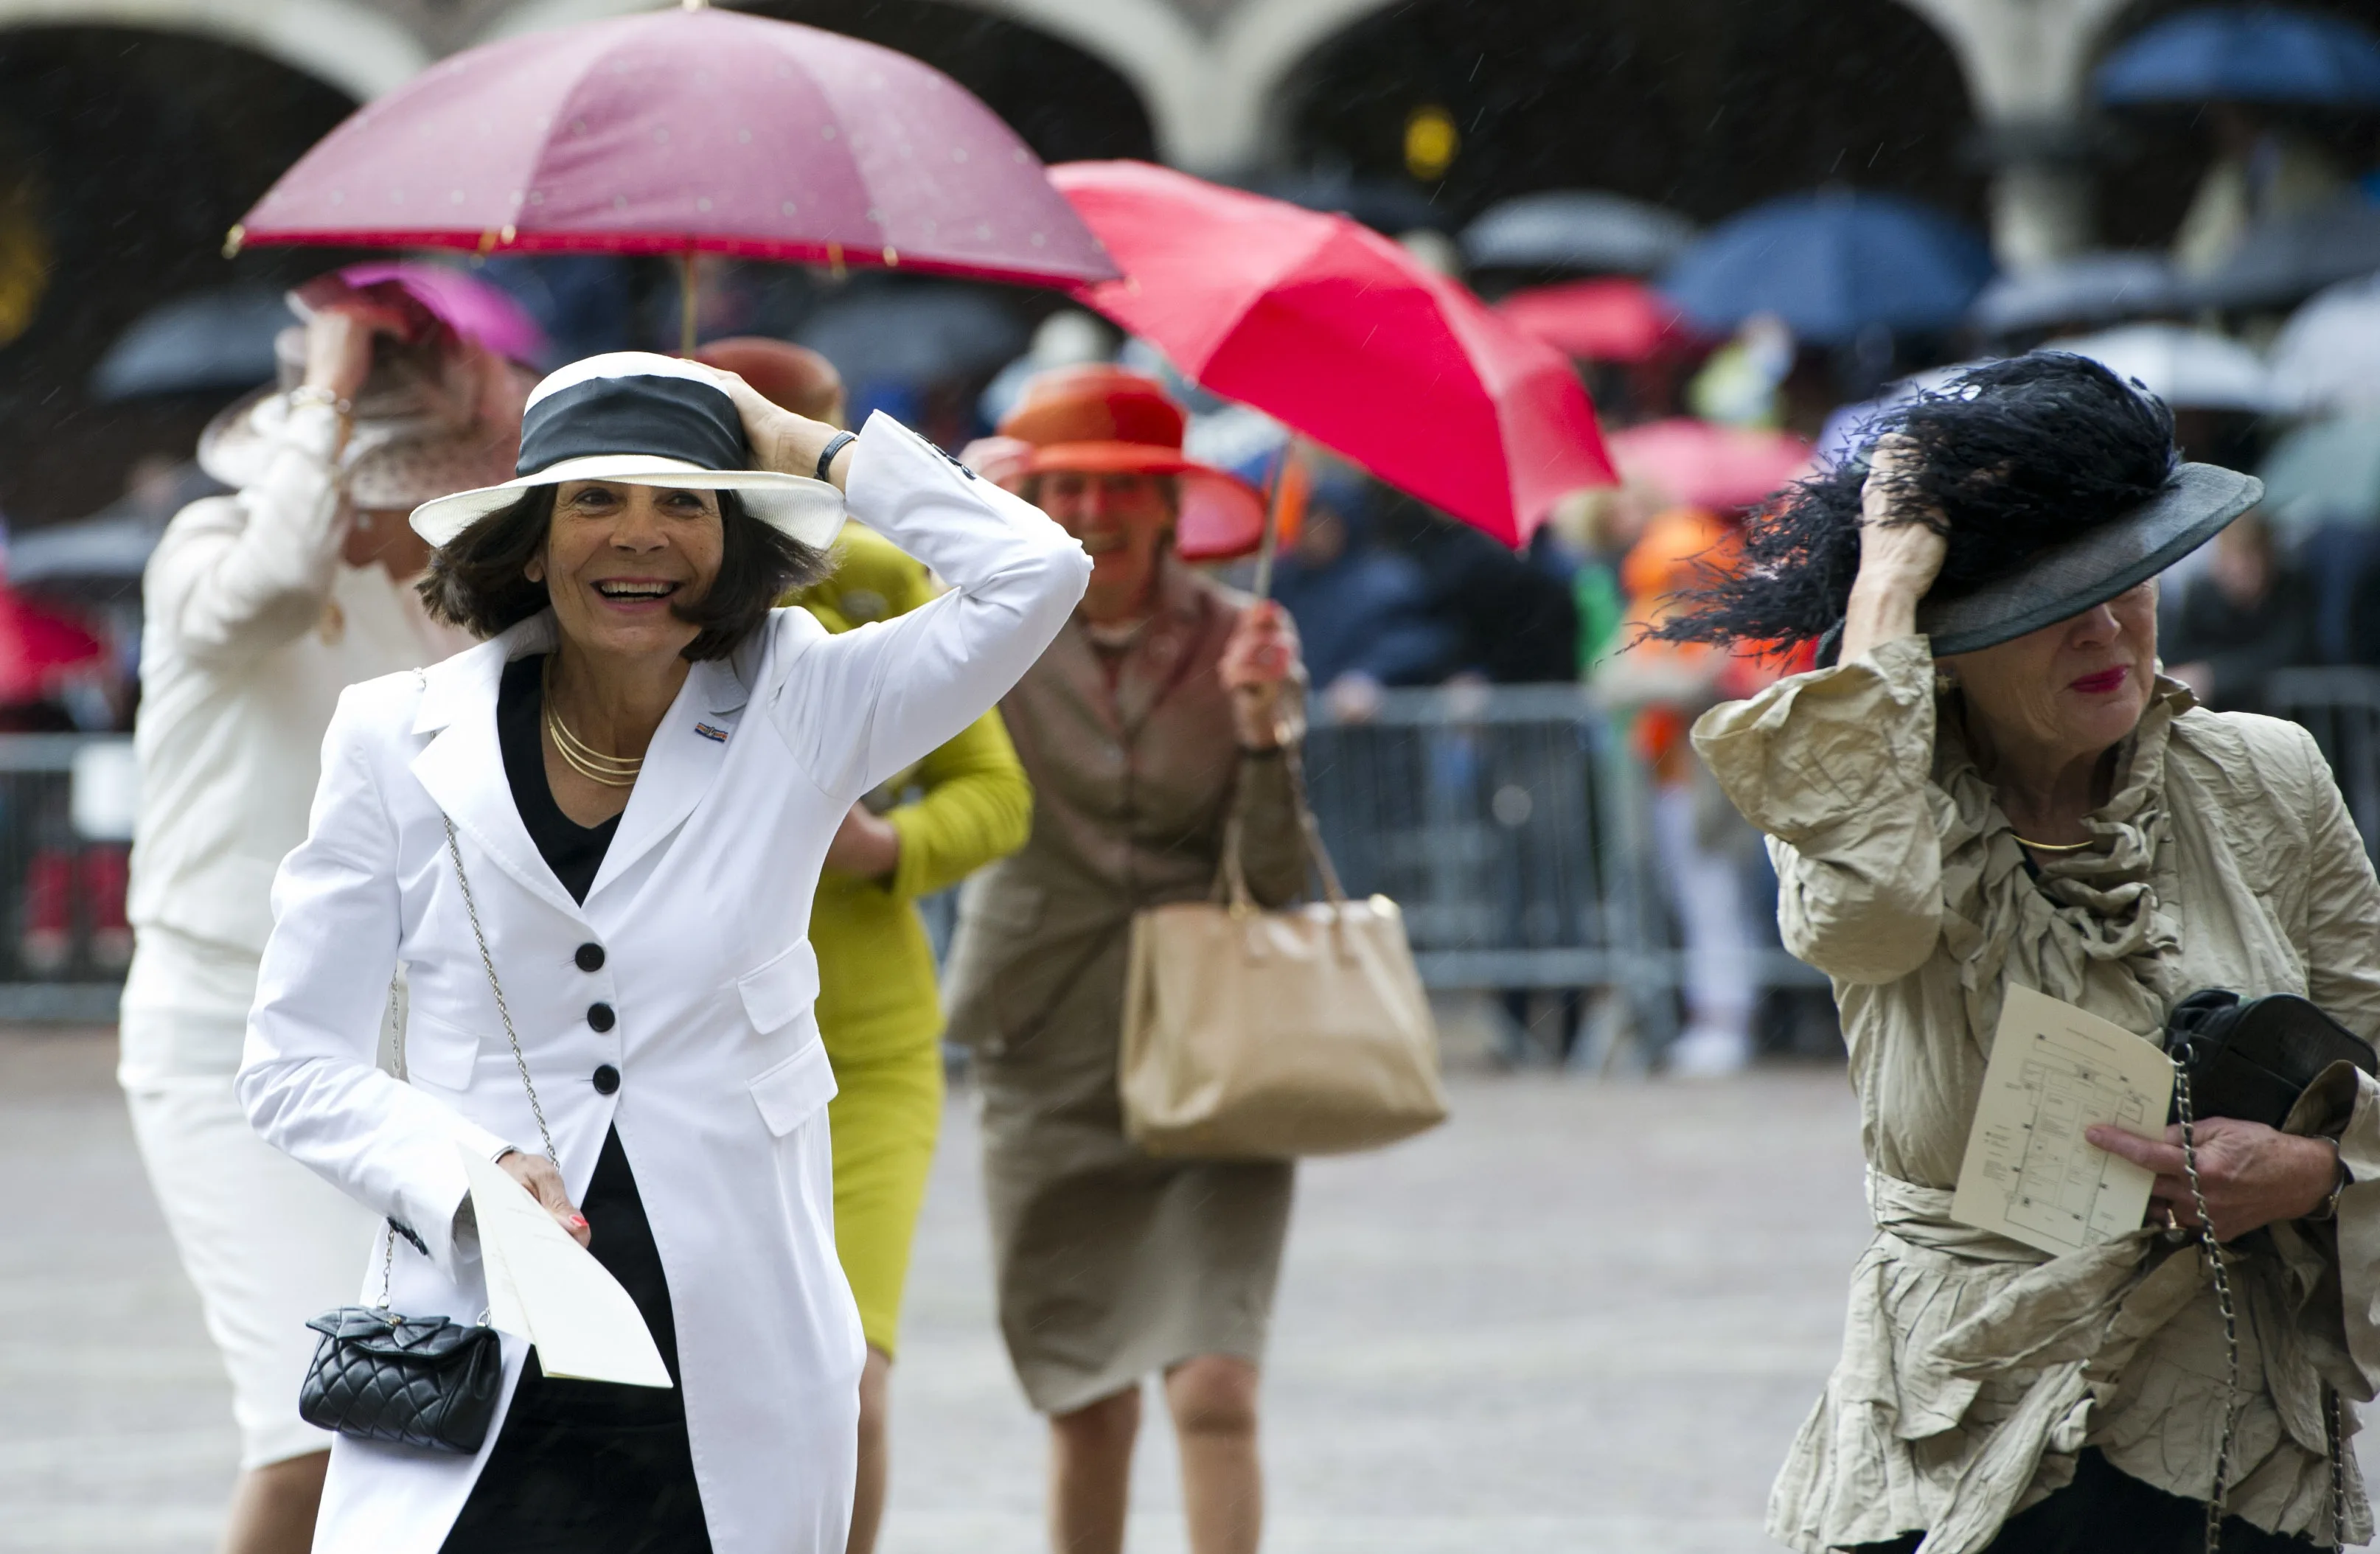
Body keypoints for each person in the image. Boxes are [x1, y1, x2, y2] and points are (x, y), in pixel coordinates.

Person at [237, 352, 1088, 1554]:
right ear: (530, 539)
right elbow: (289, 1064)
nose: (639, 536)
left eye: (683, 500)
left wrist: (813, 450)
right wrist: (466, 1165)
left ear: (733, 537)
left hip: (733, 1360)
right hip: (479, 1346)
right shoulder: (391, 735)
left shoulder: (805, 696)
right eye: (595, 499)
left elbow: (1036, 572)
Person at [1666, 352, 2380, 1550]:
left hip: (2231, 1458)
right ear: (1944, 642)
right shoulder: (1872, 804)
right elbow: (1866, 918)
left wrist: (2304, 1173)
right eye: (2049, 603)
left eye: (2127, 577)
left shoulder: (2266, 775)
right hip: (1957, 1452)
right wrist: (1883, 589)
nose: (2105, 628)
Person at [120, 285, 523, 1554]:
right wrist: (337, 385)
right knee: (310, 1424)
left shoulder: (439, 616)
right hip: (222, 1040)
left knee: (453, 1416)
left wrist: (499, 395)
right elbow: (281, 580)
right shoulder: (208, 554)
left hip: (407, 1054)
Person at [941, 365, 1306, 1554]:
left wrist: (1263, 735)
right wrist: (953, 514)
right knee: (1084, 1399)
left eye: (1123, 486)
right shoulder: (982, 625)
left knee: (1213, 1385)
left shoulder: (1237, 636)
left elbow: (1280, 879)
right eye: (1068, 486)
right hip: (1045, 1040)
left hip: (1219, 1045)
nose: (1095, 509)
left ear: (1169, 506)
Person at [702, 335, 1034, 1554]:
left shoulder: (887, 580)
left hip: (868, 1054)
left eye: (809, 458)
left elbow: (996, 795)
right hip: (694, 1049)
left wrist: (885, 849)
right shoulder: (637, 598)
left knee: (846, 1377)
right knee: (707, 1389)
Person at [2161, 508, 2316, 714]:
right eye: (2230, 558)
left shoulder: (2291, 591)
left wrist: (2214, 675)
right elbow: (2175, 656)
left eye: (2248, 559)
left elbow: (2288, 653)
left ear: (2267, 558)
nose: (2238, 570)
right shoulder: (2203, 595)